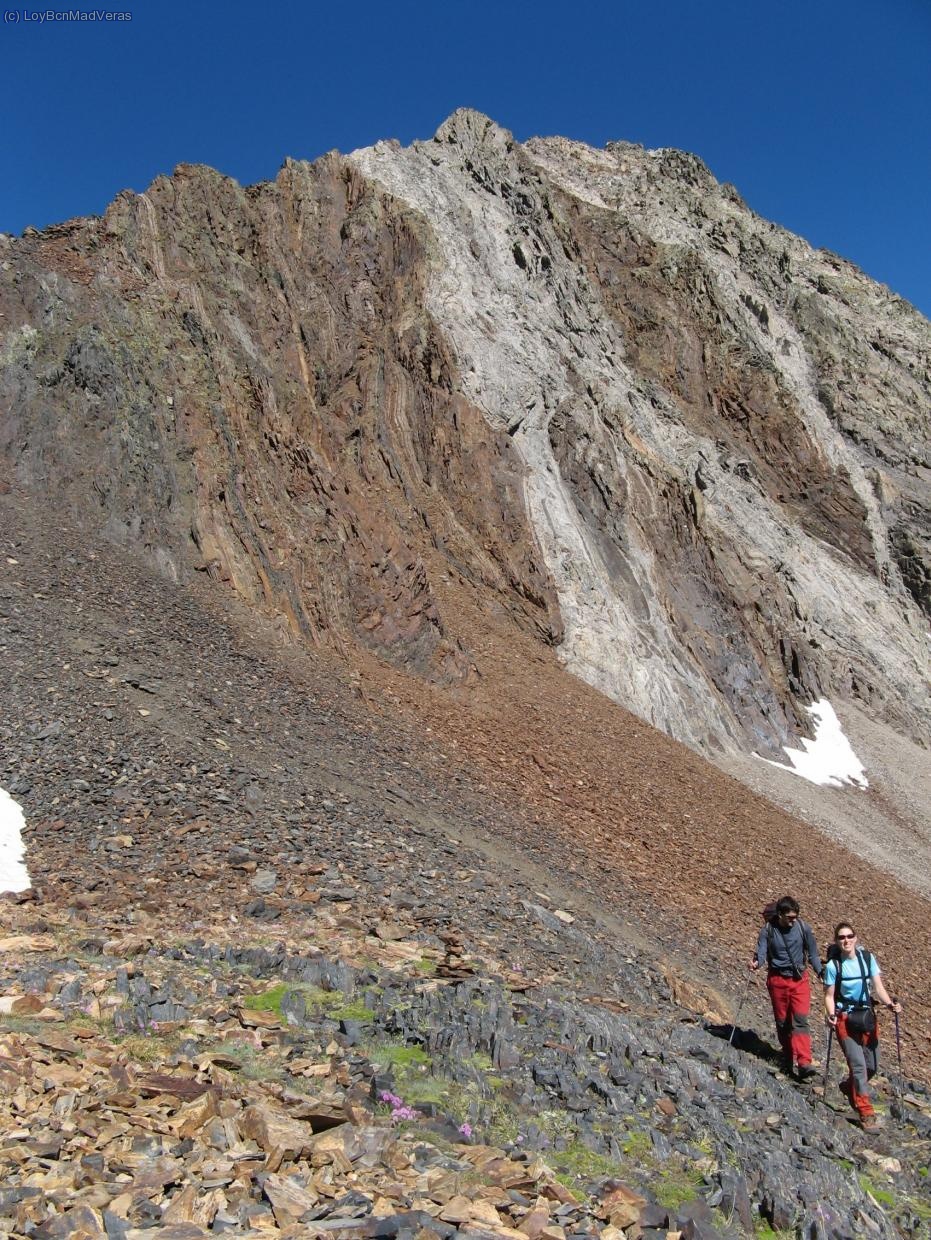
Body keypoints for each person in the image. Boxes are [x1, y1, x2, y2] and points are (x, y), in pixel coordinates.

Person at [823, 921, 902, 1131]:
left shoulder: (867, 959)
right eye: (841, 937)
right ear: (836, 941)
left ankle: (849, 1088)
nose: (846, 940)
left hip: (867, 1017)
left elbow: (878, 987)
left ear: (856, 938)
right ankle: (866, 1114)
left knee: (872, 1066)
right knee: (858, 1066)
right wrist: (830, 1014)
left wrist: (889, 1004)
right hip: (845, 1020)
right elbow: (829, 996)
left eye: (849, 936)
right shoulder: (833, 966)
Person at [749, 895, 822, 1080]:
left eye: (795, 916)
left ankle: (804, 1062)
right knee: (783, 1023)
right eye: (790, 917)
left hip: (799, 980)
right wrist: (756, 963)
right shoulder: (768, 930)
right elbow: (762, 953)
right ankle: (788, 1057)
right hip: (777, 981)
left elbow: (813, 954)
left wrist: (821, 972)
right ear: (780, 914)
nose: (793, 920)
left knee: (800, 1020)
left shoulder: (803, 928)